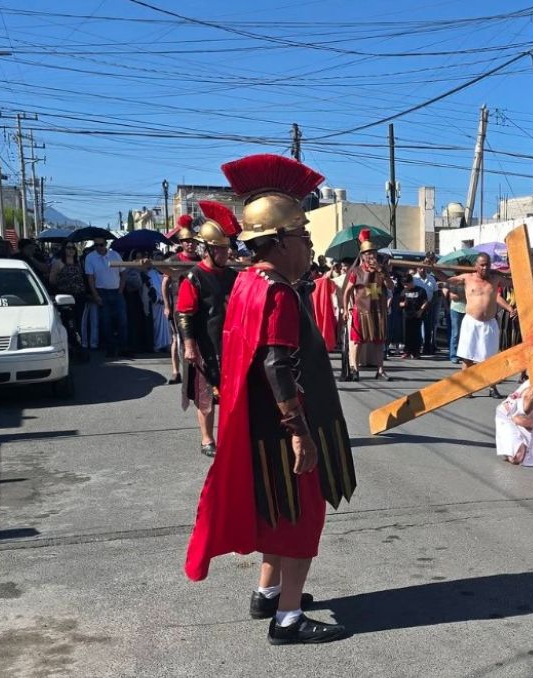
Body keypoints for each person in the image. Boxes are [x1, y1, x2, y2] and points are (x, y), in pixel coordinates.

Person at [185, 153, 353, 645]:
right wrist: (300, 433)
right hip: (285, 428)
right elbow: (278, 365)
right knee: (301, 520)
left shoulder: (247, 282)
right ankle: (287, 619)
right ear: (278, 242)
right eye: (303, 236)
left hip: (261, 425)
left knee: (280, 513)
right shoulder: (277, 292)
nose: (310, 245)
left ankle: (268, 592)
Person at [176, 201, 241, 458]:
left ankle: (229, 436)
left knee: (230, 397)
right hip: (204, 345)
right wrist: (190, 345)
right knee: (205, 396)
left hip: (230, 346)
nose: (226, 255)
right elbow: (185, 314)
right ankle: (207, 439)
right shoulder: (194, 277)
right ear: (208, 250)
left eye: (226, 250)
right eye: (220, 250)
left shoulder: (233, 276)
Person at [447, 253, 515, 398]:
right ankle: (467, 387)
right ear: (476, 266)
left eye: (487, 265)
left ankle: (492, 387)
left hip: (489, 323)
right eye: (482, 265)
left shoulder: (495, 279)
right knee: (467, 358)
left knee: (491, 359)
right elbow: (447, 280)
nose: (485, 268)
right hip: (471, 322)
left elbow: (513, 281)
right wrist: (433, 269)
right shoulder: (467, 278)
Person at [341, 230, 393, 381]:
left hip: (378, 312)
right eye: (369, 253)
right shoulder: (356, 272)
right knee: (357, 342)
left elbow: (390, 287)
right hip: (361, 311)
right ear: (363, 256)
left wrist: (382, 272)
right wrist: (346, 309)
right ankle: (355, 370)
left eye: (374, 253)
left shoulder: (382, 270)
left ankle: (380, 370)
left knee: (379, 342)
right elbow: (347, 292)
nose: (372, 256)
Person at [162, 216, 202, 384]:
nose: (190, 244)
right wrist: (167, 306)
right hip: (178, 304)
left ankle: (195, 371)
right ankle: (175, 371)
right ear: (182, 243)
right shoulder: (173, 260)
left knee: (196, 339)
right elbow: (165, 282)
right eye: (187, 241)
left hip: (197, 305)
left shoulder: (200, 261)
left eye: (193, 241)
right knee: (177, 339)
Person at [84, 237, 129, 359]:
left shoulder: (115, 255)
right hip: (102, 291)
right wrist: (96, 295)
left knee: (122, 321)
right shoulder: (90, 258)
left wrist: (120, 290)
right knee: (106, 322)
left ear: (106, 244)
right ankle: (110, 348)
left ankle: (123, 347)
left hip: (116, 290)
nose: (100, 247)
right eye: (97, 245)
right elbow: (90, 278)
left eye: (102, 244)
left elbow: (123, 272)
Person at [49, 244, 90, 360]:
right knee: (67, 322)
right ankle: (69, 346)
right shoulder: (58, 263)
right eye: (68, 247)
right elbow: (52, 280)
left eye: (73, 248)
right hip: (65, 297)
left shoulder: (79, 263)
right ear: (64, 249)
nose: (71, 250)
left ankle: (81, 346)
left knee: (79, 321)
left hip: (80, 296)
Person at [144, 253, 171, 353]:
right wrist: (157, 299)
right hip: (156, 305)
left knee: (168, 327)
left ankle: (168, 345)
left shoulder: (167, 272)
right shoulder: (150, 273)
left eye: (161, 259)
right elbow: (149, 288)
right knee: (157, 326)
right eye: (157, 260)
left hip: (167, 303)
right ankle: (157, 345)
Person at [398, 274, 429, 359]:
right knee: (406, 334)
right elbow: (399, 303)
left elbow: (425, 302)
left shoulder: (420, 290)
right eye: (404, 284)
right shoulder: (403, 291)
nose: (405, 286)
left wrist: (420, 311)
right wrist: (403, 304)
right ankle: (407, 351)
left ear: (412, 282)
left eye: (407, 284)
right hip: (406, 315)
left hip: (417, 314)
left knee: (416, 334)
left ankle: (416, 352)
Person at [414, 262, 439, 355]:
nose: (423, 270)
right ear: (417, 268)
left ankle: (427, 348)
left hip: (429, 306)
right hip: (417, 307)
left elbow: (436, 292)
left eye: (424, 268)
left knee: (428, 329)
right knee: (416, 328)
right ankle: (417, 347)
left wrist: (432, 303)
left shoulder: (431, 278)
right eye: (420, 268)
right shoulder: (414, 279)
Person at [446, 278, 466, 364]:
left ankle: (463, 355)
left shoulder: (469, 280)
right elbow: (453, 297)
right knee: (456, 333)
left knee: (465, 334)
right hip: (456, 309)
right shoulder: (454, 281)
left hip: (468, 310)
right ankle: (453, 355)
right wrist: (465, 295)